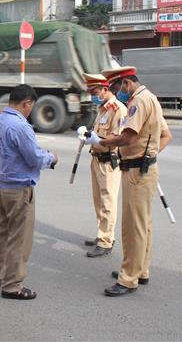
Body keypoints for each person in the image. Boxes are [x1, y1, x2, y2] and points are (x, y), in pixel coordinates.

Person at [83, 66, 173, 297]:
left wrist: (100, 141)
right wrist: (151, 155)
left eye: (115, 87)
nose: (116, 92)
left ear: (125, 83)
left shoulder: (137, 102)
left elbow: (127, 137)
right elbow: (166, 136)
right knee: (144, 225)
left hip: (136, 172)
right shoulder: (150, 97)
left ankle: (128, 278)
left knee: (133, 227)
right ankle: (140, 270)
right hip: (144, 169)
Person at [0, 84, 58, 300]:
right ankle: (12, 285)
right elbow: (35, 158)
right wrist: (51, 158)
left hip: (2, 187)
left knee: (3, 233)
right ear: (26, 103)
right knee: (20, 238)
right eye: (30, 107)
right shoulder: (20, 127)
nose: (30, 111)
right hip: (19, 190)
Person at [78, 73, 127, 258]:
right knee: (98, 200)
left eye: (96, 91)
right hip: (96, 159)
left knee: (108, 202)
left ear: (105, 89)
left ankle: (106, 241)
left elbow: (117, 139)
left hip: (108, 160)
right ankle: (102, 234)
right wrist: (87, 135)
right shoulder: (102, 109)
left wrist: (97, 140)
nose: (93, 94)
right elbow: (98, 133)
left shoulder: (118, 109)